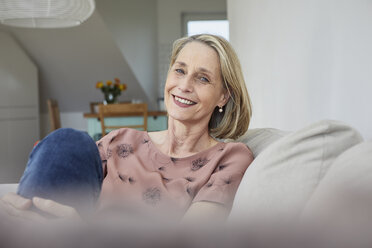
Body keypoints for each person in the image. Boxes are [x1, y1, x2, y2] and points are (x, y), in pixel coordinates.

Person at [0, 34, 254, 223]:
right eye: (179, 70)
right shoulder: (121, 140)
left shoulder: (230, 157)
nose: (184, 85)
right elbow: (58, 180)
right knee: (66, 140)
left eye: (203, 78)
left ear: (223, 96)